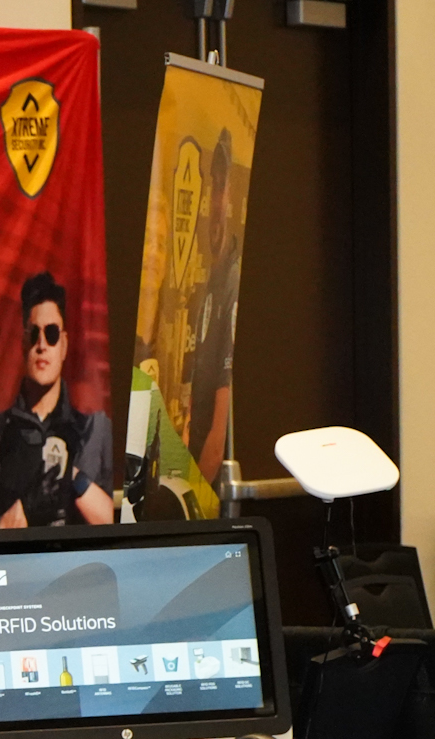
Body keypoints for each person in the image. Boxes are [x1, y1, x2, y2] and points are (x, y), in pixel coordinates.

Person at [0, 272, 115, 528]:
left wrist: (72, 478)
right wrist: (24, 510)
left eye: (51, 333)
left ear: (64, 345)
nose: (41, 345)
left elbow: (116, 526)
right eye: (34, 334)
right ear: (23, 343)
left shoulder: (93, 430)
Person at [187, 129, 240, 486]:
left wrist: (193, 501)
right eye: (211, 188)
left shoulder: (233, 283)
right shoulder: (207, 281)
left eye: (222, 187)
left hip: (209, 490)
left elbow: (218, 437)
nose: (215, 202)